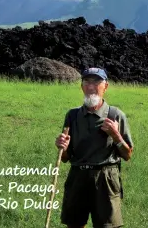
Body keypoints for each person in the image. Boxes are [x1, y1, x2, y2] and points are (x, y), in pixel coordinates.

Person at [55, 67, 134, 228]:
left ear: (106, 86)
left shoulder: (115, 115)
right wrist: (62, 147)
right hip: (78, 176)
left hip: (106, 178)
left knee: (107, 226)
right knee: (74, 224)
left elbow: (127, 155)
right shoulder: (72, 115)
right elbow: (65, 158)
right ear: (82, 86)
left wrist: (116, 135)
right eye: (87, 82)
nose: (91, 86)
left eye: (97, 82)